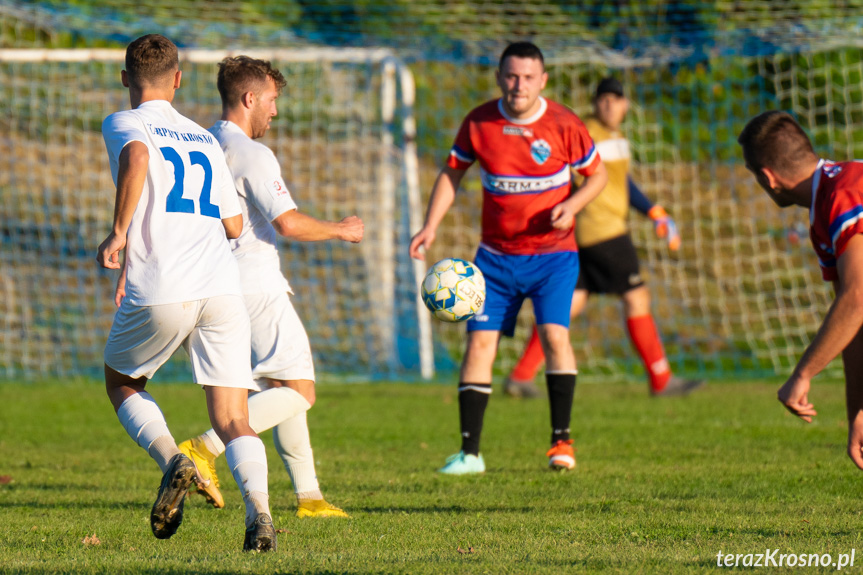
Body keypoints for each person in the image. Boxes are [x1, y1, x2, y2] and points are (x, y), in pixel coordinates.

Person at [97, 35, 275, 551]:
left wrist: (121, 232)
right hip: (221, 288)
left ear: (126, 77)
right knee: (233, 418)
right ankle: (259, 516)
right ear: (178, 79)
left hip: (163, 286)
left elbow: (135, 159)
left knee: (122, 382)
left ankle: (173, 457)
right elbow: (235, 223)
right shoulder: (203, 138)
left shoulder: (124, 122)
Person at [172, 55, 363, 517]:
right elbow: (288, 223)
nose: (275, 111)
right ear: (249, 98)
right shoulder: (252, 153)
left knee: (278, 387)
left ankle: (310, 497)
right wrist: (342, 228)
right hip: (254, 285)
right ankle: (202, 448)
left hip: (211, 284)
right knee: (300, 391)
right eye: (272, 100)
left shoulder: (203, 141)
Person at [409, 42, 608, 474]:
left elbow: (598, 175)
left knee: (555, 338)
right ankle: (470, 454)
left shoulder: (564, 124)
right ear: (500, 77)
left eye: (528, 77)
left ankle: (561, 444)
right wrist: (430, 225)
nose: (519, 85)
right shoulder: (480, 121)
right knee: (479, 344)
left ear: (543, 80)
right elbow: (452, 172)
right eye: (512, 76)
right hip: (495, 261)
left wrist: (573, 206)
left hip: (552, 257)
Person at [505, 77, 704, 399]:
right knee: (636, 297)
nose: (610, 104)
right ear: (595, 103)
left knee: (571, 303)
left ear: (626, 105)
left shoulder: (617, 138)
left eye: (617, 98)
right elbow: (557, 173)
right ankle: (662, 379)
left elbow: (621, 183)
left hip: (588, 234)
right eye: (604, 98)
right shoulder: (584, 133)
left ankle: (521, 375)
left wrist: (653, 211)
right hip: (603, 232)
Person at [737, 110, 863, 470]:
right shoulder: (829, 204)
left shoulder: (844, 193)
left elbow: (857, 299)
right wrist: (858, 414)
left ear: (767, 177)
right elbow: (853, 325)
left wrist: (802, 374)